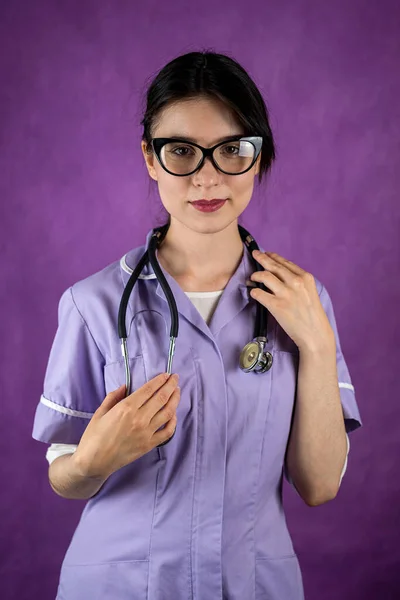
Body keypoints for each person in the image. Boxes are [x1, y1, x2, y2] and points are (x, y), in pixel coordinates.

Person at [32, 50, 362, 600]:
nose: (207, 177)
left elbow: (320, 484)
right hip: (118, 586)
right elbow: (63, 475)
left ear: (257, 158)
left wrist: (318, 346)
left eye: (232, 149)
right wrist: (93, 460)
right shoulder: (92, 304)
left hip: (253, 585)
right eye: (181, 151)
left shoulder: (303, 302)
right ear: (150, 158)